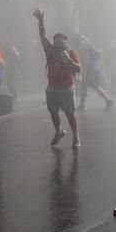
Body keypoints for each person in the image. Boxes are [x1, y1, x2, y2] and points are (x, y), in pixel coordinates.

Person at [33, 9, 81, 147]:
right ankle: (59, 130)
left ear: (66, 43)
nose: (58, 43)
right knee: (53, 111)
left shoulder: (71, 53)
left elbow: (78, 69)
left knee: (69, 112)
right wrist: (40, 21)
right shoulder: (50, 51)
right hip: (52, 87)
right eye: (56, 41)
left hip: (66, 87)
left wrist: (69, 61)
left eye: (61, 41)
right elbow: (42, 35)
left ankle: (76, 136)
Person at [76, 35, 114, 110]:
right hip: (94, 68)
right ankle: (82, 104)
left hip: (90, 69)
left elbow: (85, 59)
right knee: (88, 86)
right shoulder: (87, 44)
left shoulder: (82, 47)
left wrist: (85, 71)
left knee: (93, 86)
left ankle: (108, 100)